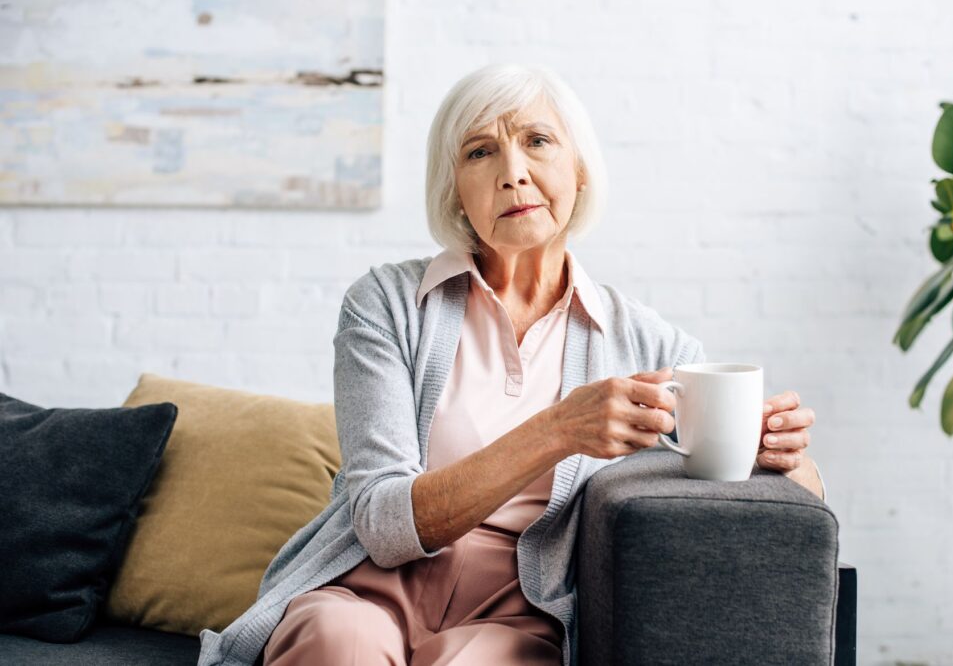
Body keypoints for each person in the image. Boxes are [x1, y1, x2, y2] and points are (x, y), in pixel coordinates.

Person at [196, 62, 823, 666]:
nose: (513, 174)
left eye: (537, 142)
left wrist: (782, 455)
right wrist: (560, 428)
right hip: (364, 585)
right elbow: (383, 525)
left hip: (514, 609)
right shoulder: (385, 303)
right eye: (480, 152)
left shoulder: (650, 344)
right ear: (456, 192)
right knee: (339, 643)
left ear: (578, 170)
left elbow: (795, 499)